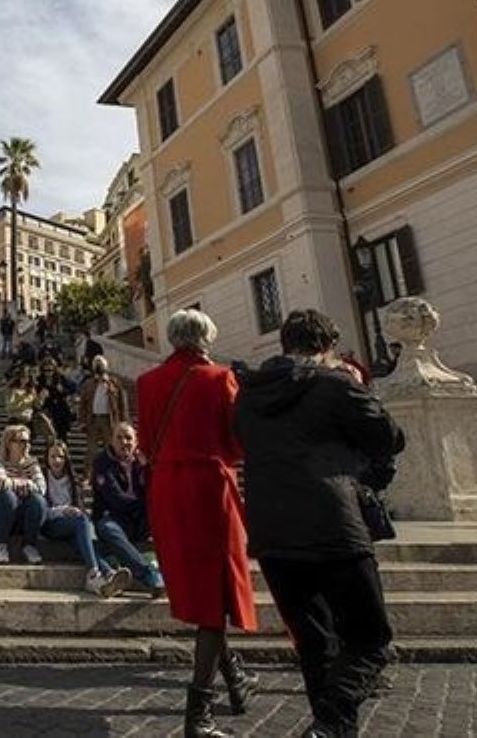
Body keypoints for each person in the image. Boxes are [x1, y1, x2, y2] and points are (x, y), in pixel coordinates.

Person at [236, 308, 407, 738]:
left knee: (316, 645)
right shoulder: (335, 385)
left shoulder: (248, 394)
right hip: (333, 526)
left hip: (272, 531)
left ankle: (332, 730)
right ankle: (331, 722)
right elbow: (388, 437)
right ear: (327, 346)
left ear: (284, 344)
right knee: (370, 640)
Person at [137, 309, 256, 738]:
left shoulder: (147, 383)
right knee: (217, 593)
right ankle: (199, 715)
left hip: (167, 490)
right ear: (205, 338)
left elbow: (146, 443)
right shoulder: (221, 377)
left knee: (200, 590)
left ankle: (236, 679)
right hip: (209, 487)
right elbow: (238, 442)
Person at [40, 441, 128, 597]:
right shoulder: (42, 477)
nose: (57, 461)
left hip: (73, 525)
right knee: (80, 522)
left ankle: (107, 575)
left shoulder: (72, 480)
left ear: (66, 459)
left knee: (82, 537)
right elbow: (42, 511)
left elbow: (80, 508)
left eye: (60, 456)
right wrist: (64, 510)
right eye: (53, 456)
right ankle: (95, 573)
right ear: (46, 458)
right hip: (50, 524)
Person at [90, 423, 166, 596]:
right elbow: (116, 499)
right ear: (111, 440)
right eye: (119, 438)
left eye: (129, 438)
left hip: (139, 519)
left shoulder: (143, 462)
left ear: (136, 441)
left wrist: (148, 468)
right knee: (107, 528)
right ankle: (149, 575)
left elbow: (158, 490)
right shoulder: (102, 462)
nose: (124, 442)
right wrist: (145, 503)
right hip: (115, 518)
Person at [0, 424, 45, 564]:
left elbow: (41, 487)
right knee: (7, 495)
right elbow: (2, 483)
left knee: (38, 500)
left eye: (28, 441)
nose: (26, 445)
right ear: (9, 443)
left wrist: (17, 483)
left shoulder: (32, 464)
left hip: (21, 518)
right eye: (21, 441)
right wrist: (26, 483)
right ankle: (1, 546)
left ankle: (29, 546)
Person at [78, 355, 125, 483]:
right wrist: (82, 421)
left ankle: (114, 474)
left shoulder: (114, 383)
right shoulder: (88, 383)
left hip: (109, 420)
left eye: (101, 364)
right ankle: (87, 476)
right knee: (91, 450)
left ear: (106, 366)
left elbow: (121, 404)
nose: (99, 366)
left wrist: (122, 422)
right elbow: (82, 404)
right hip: (93, 420)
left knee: (111, 448)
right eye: (96, 364)